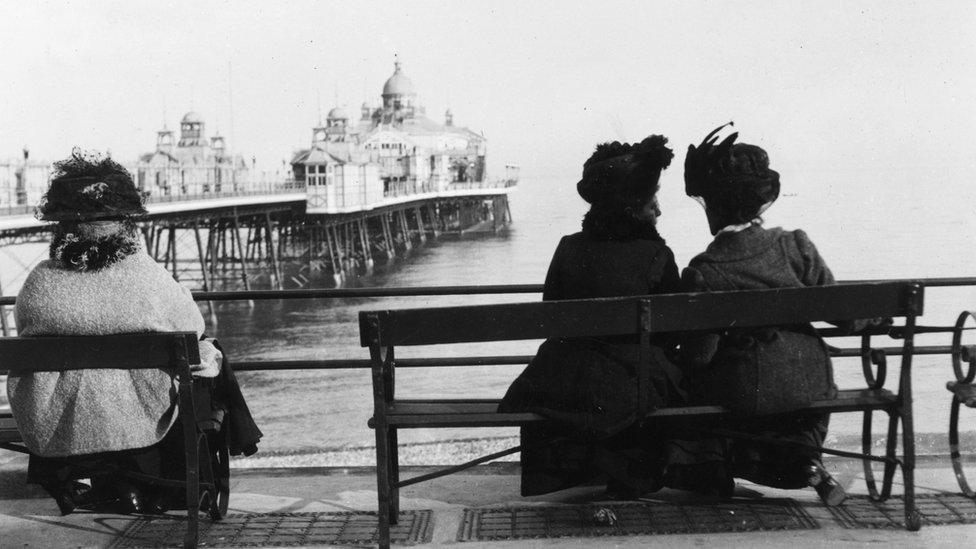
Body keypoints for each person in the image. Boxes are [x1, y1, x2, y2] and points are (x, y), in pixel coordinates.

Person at [7, 150, 262, 514]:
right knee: (210, 352)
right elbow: (193, 327)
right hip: (140, 413)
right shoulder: (146, 275)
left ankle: (112, 484)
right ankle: (221, 451)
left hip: (59, 413)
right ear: (125, 225)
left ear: (63, 228)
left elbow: (25, 327)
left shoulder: (40, 282)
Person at [498, 135, 683, 498]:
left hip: (562, 383)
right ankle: (631, 468)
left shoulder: (568, 248)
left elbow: (551, 315)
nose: (658, 209)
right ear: (632, 208)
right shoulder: (656, 255)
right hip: (632, 385)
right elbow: (670, 332)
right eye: (652, 200)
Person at [672, 122, 847, 504]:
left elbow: (700, 356)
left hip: (746, 389)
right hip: (810, 380)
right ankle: (805, 465)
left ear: (714, 206)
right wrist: (881, 321)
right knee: (781, 394)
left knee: (706, 384)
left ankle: (715, 469)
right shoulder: (795, 245)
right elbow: (843, 310)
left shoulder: (704, 270)